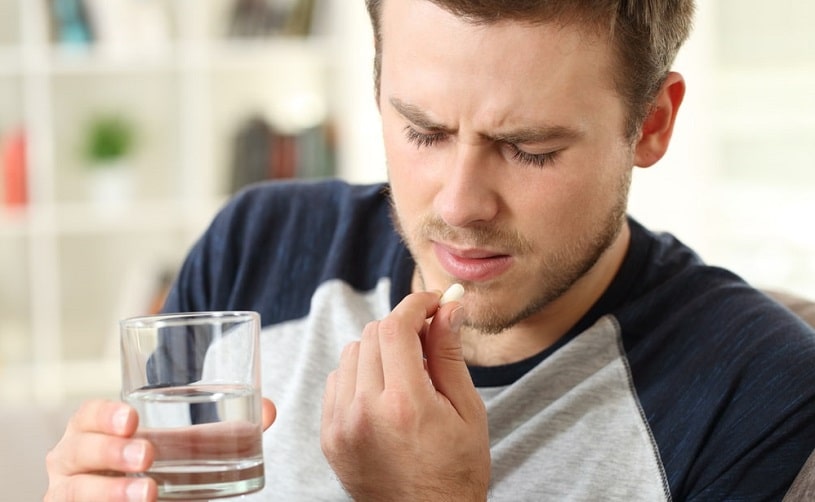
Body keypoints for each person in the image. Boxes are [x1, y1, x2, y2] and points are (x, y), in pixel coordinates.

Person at [45, 0, 815, 500]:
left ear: (650, 124)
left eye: (529, 148)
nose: (457, 205)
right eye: (422, 131)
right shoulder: (258, 247)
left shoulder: (759, 395)